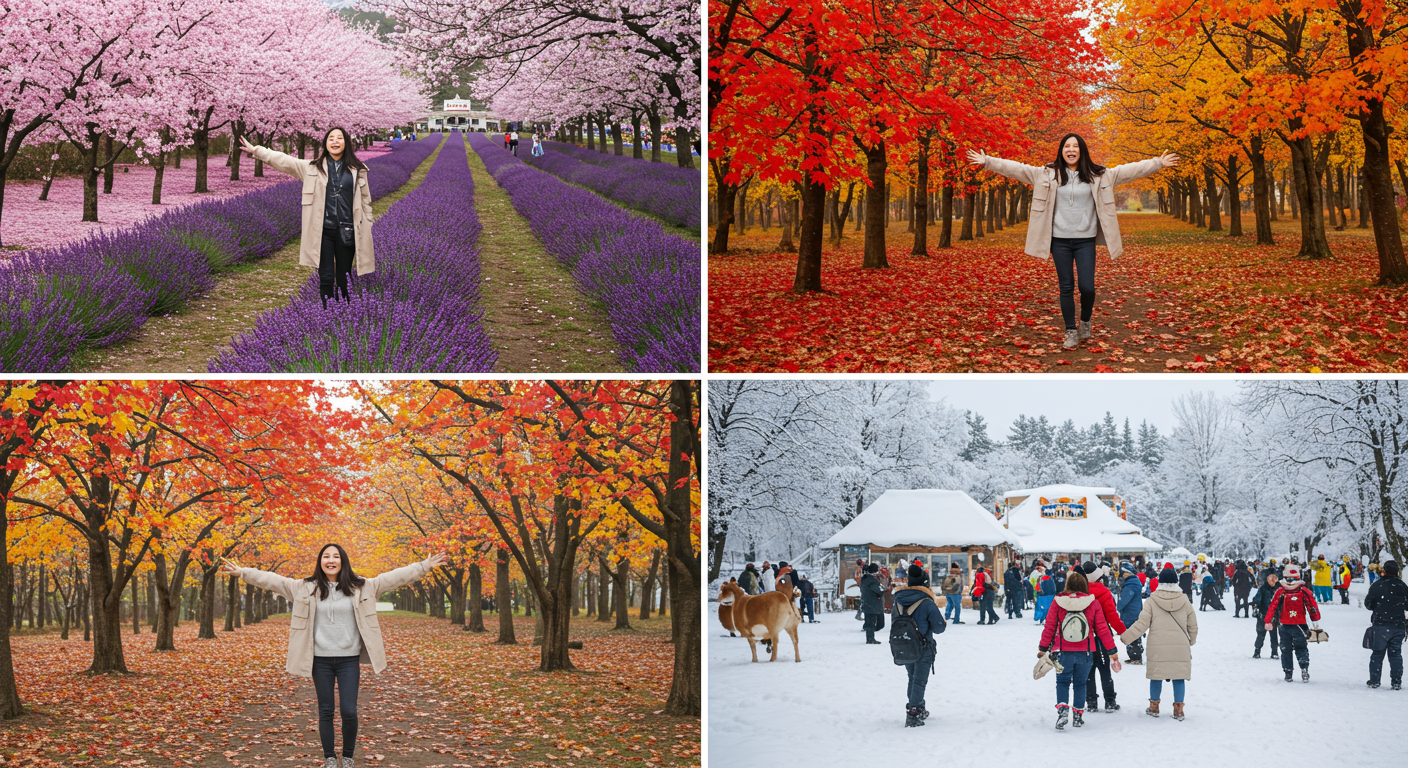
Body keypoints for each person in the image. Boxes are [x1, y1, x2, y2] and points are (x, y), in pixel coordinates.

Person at [220, 546, 446, 768]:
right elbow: (272, 579)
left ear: (342, 561)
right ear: (320, 561)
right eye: (326, 556)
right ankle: (329, 758)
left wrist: (424, 566)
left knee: (349, 710)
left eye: (335, 556)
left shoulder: (363, 586)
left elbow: (394, 577)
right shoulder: (303, 587)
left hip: (349, 659)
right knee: (326, 710)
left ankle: (347, 757)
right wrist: (243, 573)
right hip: (320, 660)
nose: (331, 560)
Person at [965, 138, 1177, 350]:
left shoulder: (1099, 174)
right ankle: (1071, 331)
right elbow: (1016, 169)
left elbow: (1130, 170)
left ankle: (1085, 321)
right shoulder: (1047, 173)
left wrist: (1157, 163)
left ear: (1082, 150)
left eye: (1075, 146)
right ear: (1062, 151)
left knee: (1087, 288)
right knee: (1066, 286)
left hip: (1085, 240)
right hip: (1059, 241)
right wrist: (987, 161)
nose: (1071, 149)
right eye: (1067, 146)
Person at [240, 129, 375, 309]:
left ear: (346, 143)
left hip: (348, 229)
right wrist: (258, 150)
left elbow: (366, 200)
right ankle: (327, 314)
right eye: (331, 138)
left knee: (344, 276)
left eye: (339, 138)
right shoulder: (311, 167)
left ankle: (344, 315)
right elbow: (285, 161)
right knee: (326, 276)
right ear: (326, 144)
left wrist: (368, 222)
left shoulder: (358, 170)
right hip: (322, 231)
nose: (335, 142)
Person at [1037, 570, 1119, 731]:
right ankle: (1077, 715)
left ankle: (1062, 711)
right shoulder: (1093, 602)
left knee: (1062, 682)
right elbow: (1102, 629)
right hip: (1086, 651)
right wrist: (1112, 650)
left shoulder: (1058, 602)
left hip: (1061, 650)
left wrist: (1043, 648)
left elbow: (1050, 627)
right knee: (1081, 684)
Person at [1119, 566, 1197, 721]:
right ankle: (1179, 710)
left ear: (1160, 582)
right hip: (1179, 644)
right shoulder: (1184, 600)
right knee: (1179, 676)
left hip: (1157, 645)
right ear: (1176, 581)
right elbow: (1192, 624)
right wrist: (1192, 640)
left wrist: (1125, 637)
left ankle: (1154, 707)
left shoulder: (1152, 601)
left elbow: (1141, 624)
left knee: (1156, 676)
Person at [892, 563, 946, 727]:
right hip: (923, 646)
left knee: (912, 678)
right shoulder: (927, 602)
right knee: (919, 681)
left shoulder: (898, 600)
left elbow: (895, 622)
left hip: (904, 644)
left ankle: (918, 707)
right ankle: (914, 712)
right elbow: (939, 628)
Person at [1078, 561, 1126, 712]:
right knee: (1105, 669)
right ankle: (1110, 700)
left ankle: (1091, 701)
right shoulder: (1104, 592)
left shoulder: (1079, 591)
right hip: (1101, 636)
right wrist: (1124, 632)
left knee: (1088, 670)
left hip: (1083, 637)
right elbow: (1112, 616)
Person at [1265, 565, 1321, 682]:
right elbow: (1312, 607)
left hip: (1284, 625)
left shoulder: (1280, 591)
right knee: (1301, 648)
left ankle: (1288, 672)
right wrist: (1315, 619)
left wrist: (1268, 620)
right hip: (1300, 625)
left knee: (1286, 649)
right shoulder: (1304, 591)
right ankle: (1304, 669)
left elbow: (1273, 606)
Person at [1364, 560, 1407, 689]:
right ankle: (1396, 682)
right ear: (1397, 571)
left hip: (1380, 624)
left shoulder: (1377, 585)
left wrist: (1379, 607)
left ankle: (1375, 680)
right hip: (1398, 624)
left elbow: (1368, 604)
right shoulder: (1403, 586)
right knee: (1396, 654)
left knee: (1377, 653)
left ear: (1384, 571)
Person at [1117, 561, 1145, 664]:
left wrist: (1118, 607)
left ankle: (1136, 657)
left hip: (1131, 613)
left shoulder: (1131, 584)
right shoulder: (1133, 582)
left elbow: (1124, 599)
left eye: (1124, 572)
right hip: (1133, 612)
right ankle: (1135, 656)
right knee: (1134, 634)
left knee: (1132, 635)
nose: (1122, 575)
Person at [1252, 568, 1280, 659]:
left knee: (1273, 635)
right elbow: (1257, 600)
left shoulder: (1278, 589)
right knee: (1261, 634)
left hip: (1274, 616)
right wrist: (1256, 608)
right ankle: (1257, 651)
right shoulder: (1263, 589)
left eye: (1274, 578)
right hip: (1263, 615)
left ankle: (1274, 652)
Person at [860, 563, 886, 644]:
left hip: (867, 603)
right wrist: (881, 588)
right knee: (874, 623)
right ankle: (870, 639)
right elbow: (879, 590)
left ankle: (870, 637)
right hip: (873, 604)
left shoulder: (864, 579)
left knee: (870, 622)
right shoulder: (872, 580)